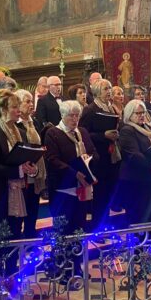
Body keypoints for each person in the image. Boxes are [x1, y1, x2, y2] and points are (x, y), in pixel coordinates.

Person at [0, 90, 40, 275]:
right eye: (14, 107)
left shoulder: (21, 131)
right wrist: (17, 170)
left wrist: (32, 168)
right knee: (0, 232)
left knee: (16, 231)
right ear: (3, 110)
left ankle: (12, 270)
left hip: (18, 189)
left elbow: (26, 157)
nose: (18, 111)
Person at [44, 100, 98, 236]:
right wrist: (74, 173)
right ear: (62, 115)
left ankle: (78, 256)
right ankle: (62, 257)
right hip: (63, 187)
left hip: (82, 186)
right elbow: (52, 159)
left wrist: (88, 158)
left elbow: (94, 152)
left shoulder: (83, 132)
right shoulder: (53, 133)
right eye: (71, 116)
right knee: (63, 229)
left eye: (77, 116)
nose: (75, 119)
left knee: (80, 226)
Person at [118, 99, 151, 225]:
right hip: (135, 179)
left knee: (149, 215)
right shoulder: (127, 130)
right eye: (138, 113)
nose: (142, 115)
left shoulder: (147, 128)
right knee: (137, 216)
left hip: (149, 178)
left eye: (143, 112)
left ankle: (147, 242)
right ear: (129, 114)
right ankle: (137, 244)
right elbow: (133, 155)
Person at [79, 79, 121, 230]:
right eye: (105, 89)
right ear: (97, 91)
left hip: (112, 155)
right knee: (100, 194)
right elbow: (84, 133)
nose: (109, 91)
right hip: (99, 156)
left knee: (109, 192)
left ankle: (107, 224)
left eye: (110, 88)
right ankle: (97, 227)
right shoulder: (90, 109)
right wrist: (104, 135)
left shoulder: (112, 108)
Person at [15, 89, 48, 238]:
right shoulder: (16, 125)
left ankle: (30, 236)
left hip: (35, 172)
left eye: (31, 101)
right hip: (22, 174)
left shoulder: (33, 122)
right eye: (27, 101)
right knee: (22, 209)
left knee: (33, 207)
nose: (30, 104)